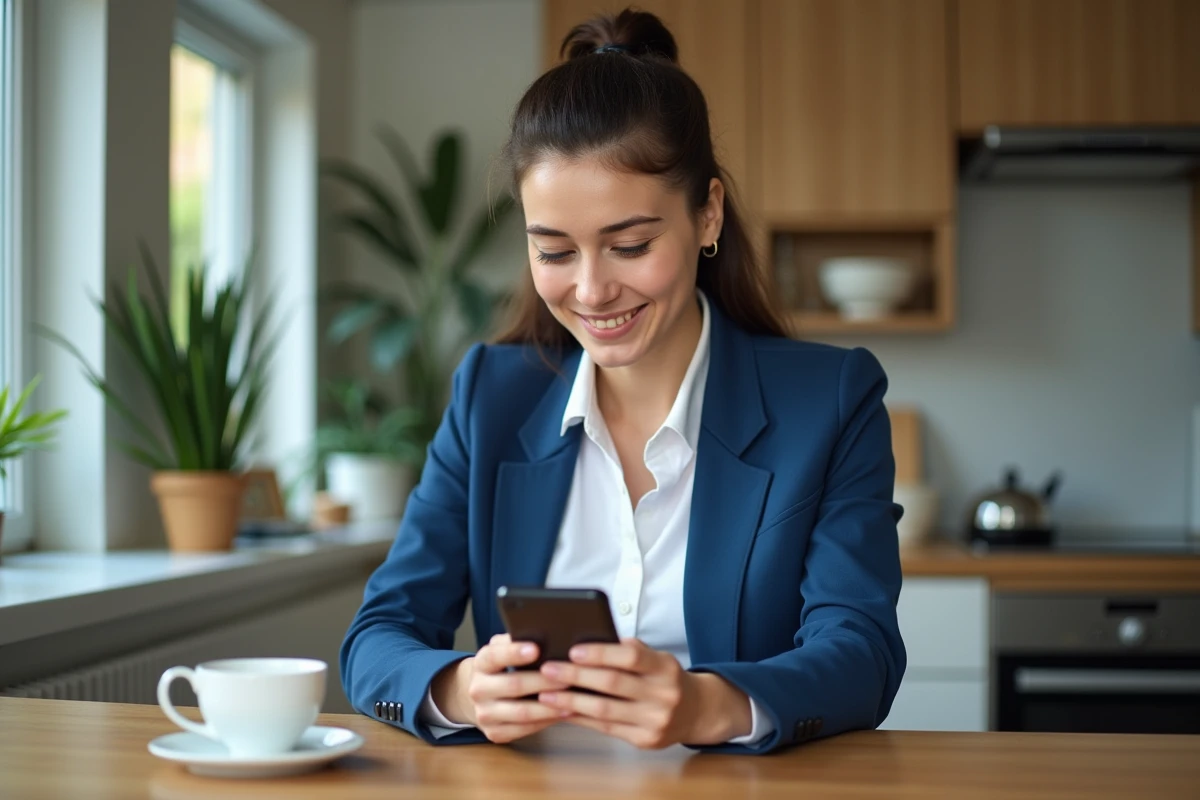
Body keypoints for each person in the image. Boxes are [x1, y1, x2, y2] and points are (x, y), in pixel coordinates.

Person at [340, 8, 905, 755]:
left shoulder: (830, 402)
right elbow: (379, 637)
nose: (592, 290)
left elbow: (861, 650)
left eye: (629, 245)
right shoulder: (489, 396)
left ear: (707, 215)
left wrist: (708, 705)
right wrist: (462, 690)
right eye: (555, 251)